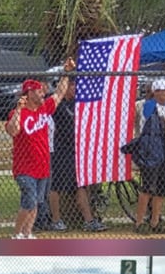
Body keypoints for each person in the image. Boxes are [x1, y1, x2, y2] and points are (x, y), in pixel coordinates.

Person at [6, 60, 73, 239]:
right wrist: (19, 109)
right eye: (38, 90)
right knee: (29, 201)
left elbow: (59, 94)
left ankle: (27, 234)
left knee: (36, 202)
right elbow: (13, 130)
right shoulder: (18, 113)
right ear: (28, 93)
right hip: (24, 168)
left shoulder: (44, 109)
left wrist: (65, 73)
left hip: (42, 166)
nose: (42, 92)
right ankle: (17, 233)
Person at [46, 78, 107, 232]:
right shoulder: (56, 104)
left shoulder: (76, 104)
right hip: (60, 151)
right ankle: (56, 220)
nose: (74, 89)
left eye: (75, 86)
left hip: (76, 151)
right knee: (57, 186)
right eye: (71, 86)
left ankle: (89, 220)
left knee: (81, 186)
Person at [133, 78, 165, 235]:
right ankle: (140, 222)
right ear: (155, 93)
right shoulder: (148, 105)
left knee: (161, 190)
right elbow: (151, 117)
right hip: (151, 151)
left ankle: (155, 221)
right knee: (148, 188)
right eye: (161, 91)